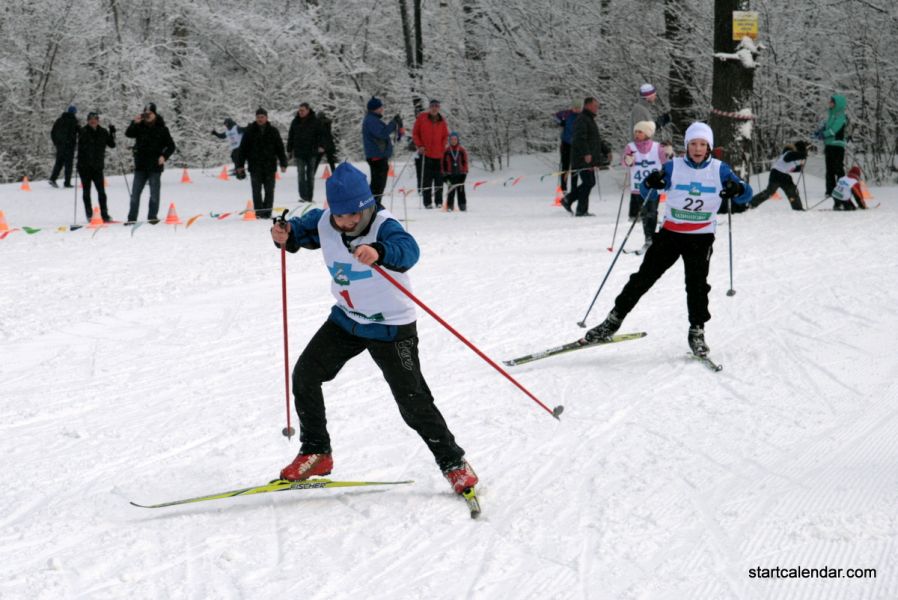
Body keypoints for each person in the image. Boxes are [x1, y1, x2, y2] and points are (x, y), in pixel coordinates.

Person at [269, 162, 478, 495]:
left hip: (391, 325)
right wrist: (284, 233)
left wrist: (379, 251)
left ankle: (453, 462)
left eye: (356, 213)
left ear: (368, 204)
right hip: (348, 319)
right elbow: (298, 232)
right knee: (305, 375)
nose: (349, 222)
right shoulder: (325, 221)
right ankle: (316, 451)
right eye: (341, 216)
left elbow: (409, 251)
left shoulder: (384, 225)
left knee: (413, 401)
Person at [583, 122, 752, 356]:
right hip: (670, 234)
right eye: (693, 143)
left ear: (709, 147)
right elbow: (647, 191)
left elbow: (746, 194)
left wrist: (737, 189)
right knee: (642, 279)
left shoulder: (719, 169)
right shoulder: (674, 166)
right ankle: (613, 320)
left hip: (700, 236)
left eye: (703, 144)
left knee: (697, 286)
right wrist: (651, 183)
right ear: (687, 145)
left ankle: (697, 331)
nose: (697, 148)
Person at [125, 103, 176, 224]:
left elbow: (171, 146)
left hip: (155, 166)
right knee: (135, 194)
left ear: (155, 114)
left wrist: (164, 156)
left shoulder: (162, 129)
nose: (148, 116)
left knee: (154, 194)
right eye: (145, 113)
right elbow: (128, 134)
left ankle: (152, 217)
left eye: (150, 113)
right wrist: (134, 122)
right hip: (140, 165)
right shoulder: (139, 126)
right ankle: (132, 218)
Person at [562, 97, 611, 217]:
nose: (597, 109)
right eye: (595, 106)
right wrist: (586, 153)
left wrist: (606, 151)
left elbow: (596, 139)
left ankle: (571, 202)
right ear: (588, 106)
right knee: (589, 182)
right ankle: (578, 207)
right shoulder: (582, 119)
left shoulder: (590, 119)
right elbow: (579, 139)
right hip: (582, 158)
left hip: (590, 158)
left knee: (590, 182)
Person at [623, 120, 669, 249]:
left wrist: (669, 152)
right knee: (644, 213)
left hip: (653, 187)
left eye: (640, 132)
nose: (637, 134)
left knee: (652, 212)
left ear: (647, 133)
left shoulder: (657, 147)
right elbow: (625, 162)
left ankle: (652, 238)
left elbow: (666, 161)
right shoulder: (630, 147)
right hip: (638, 187)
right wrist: (628, 160)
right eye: (636, 131)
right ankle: (648, 238)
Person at [236, 107, 288, 219]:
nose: (260, 119)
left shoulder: (273, 131)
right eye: (258, 117)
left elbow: (279, 148)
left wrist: (283, 162)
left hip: (270, 166)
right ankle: (259, 212)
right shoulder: (249, 131)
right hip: (255, 166)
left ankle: (267, 212)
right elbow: (243, 149)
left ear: (266, 118)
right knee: (256, 191)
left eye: (262, 117)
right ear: (256, 118)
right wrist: (240, 165)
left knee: (269, 191)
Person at [76, 112, 116, 222]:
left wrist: (112, 133)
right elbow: (78, 144)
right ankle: (89, 215)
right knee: (86, 192)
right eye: (90, 119)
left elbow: (112, 145)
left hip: (98, 167)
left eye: (95, 119)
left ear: (98, 120)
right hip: (84, 167)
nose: (93, 121)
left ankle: (105, 214)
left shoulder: (103, 132)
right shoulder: (83, 131)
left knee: (101, 192)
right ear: (88, 121)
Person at [362, 96, 401, 206]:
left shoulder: (374, 120)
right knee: (378, 184)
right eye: (380, 107)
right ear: (375, 108)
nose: (382, 109)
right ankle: (372, 205)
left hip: (379, 156)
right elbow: (382, 133)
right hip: (376, 156)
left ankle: (375, 205)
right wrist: (393, 123)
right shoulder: (371, 121)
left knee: (378, 184)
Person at [749, 141, 808, 211]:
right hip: (776, 174)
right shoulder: (789, 153)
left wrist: (800, 166)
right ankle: (751, 203)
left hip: (784, 176)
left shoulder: (795, 156)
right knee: (769, 192)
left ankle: (798, 208)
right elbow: (787, 158)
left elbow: (793, 169)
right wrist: (803, 155)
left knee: (792, 191)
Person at [412, 99, 449, 209]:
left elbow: (445, 136)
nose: (434, 108)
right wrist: (419, 145)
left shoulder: (442, 121)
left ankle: (439, 202)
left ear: (439, 108)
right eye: (432, 106)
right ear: (429, 107)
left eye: (436, 106)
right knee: (426, 180)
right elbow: (415, 133)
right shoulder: (422, 118)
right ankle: (427, 202)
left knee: (439, 180)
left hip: (439, 155)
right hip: (426, 154)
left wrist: (442, 148)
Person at [287, 103, 324, 203]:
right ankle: (303, 196)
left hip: (311, 152)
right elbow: (291, 136)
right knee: (301, 174)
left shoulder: (315, 121)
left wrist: (321, 146)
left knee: (310, 175)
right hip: (299, 152)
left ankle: (309, 196)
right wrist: (289, 150)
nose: (300, 112)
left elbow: (320, 135)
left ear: (308, 110)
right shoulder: (295, 122)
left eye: (302, 110)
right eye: (299, 110)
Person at [817, 94, 849, 197]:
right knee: (829, 169)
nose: (829, 103)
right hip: (829, 145)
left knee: (838, 168)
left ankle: (841, 190)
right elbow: (827, 127)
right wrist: (820, 131)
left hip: (837, 146)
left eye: (831, 102)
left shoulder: (841, 116)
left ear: (837, 104)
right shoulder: (831, 115)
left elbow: (834, 130)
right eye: (829, 101)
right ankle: (830, 191)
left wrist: (824, 134)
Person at [554, 100, 581, 193]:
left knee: (575, 166)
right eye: (575, 108)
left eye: (579, 108)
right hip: (566, 143)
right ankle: (564, 188)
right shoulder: (566, 114)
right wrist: (561, 122)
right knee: (565, 166)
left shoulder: (582, 116)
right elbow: (555, 116)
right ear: (572, 107)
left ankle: (574, 188)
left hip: (577, 144)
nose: (577, 110)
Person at [49, 105, 79, 188]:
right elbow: (79, 132)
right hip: (69, 146)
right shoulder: (74, 121)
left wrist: (56, 143)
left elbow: (52, 132)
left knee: (59, 162)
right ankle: (67, 183)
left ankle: (53, 179)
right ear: (74, 112)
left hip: (60, 146)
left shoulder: (59, 120)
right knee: (68, 165)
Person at [442, 131, 469, 212]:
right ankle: (450, 206)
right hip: (450, 175)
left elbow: (465, 162)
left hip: (460, 174)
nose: (453, 141)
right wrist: (444, 175)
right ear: (449, 140)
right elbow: (442, 163)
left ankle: (462, 205)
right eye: (452, 139)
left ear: (458, 140)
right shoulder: (446, 151)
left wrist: (464, 173)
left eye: (455, 139)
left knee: (461, 191)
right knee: (451, 191)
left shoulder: (461, 150)